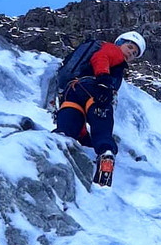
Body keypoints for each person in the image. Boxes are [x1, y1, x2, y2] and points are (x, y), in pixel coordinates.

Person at [54, 31, 146, 186]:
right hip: (94, 88)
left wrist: (84, 138)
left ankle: (58, 149)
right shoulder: (112, 50)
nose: (131, 53)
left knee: (68, 129)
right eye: (130, 47)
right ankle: (105, 154)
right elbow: (100, 58)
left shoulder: (102, 52)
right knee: (102, 122)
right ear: (120, 42)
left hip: (72, 92)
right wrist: (103, 81)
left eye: (134, 53)